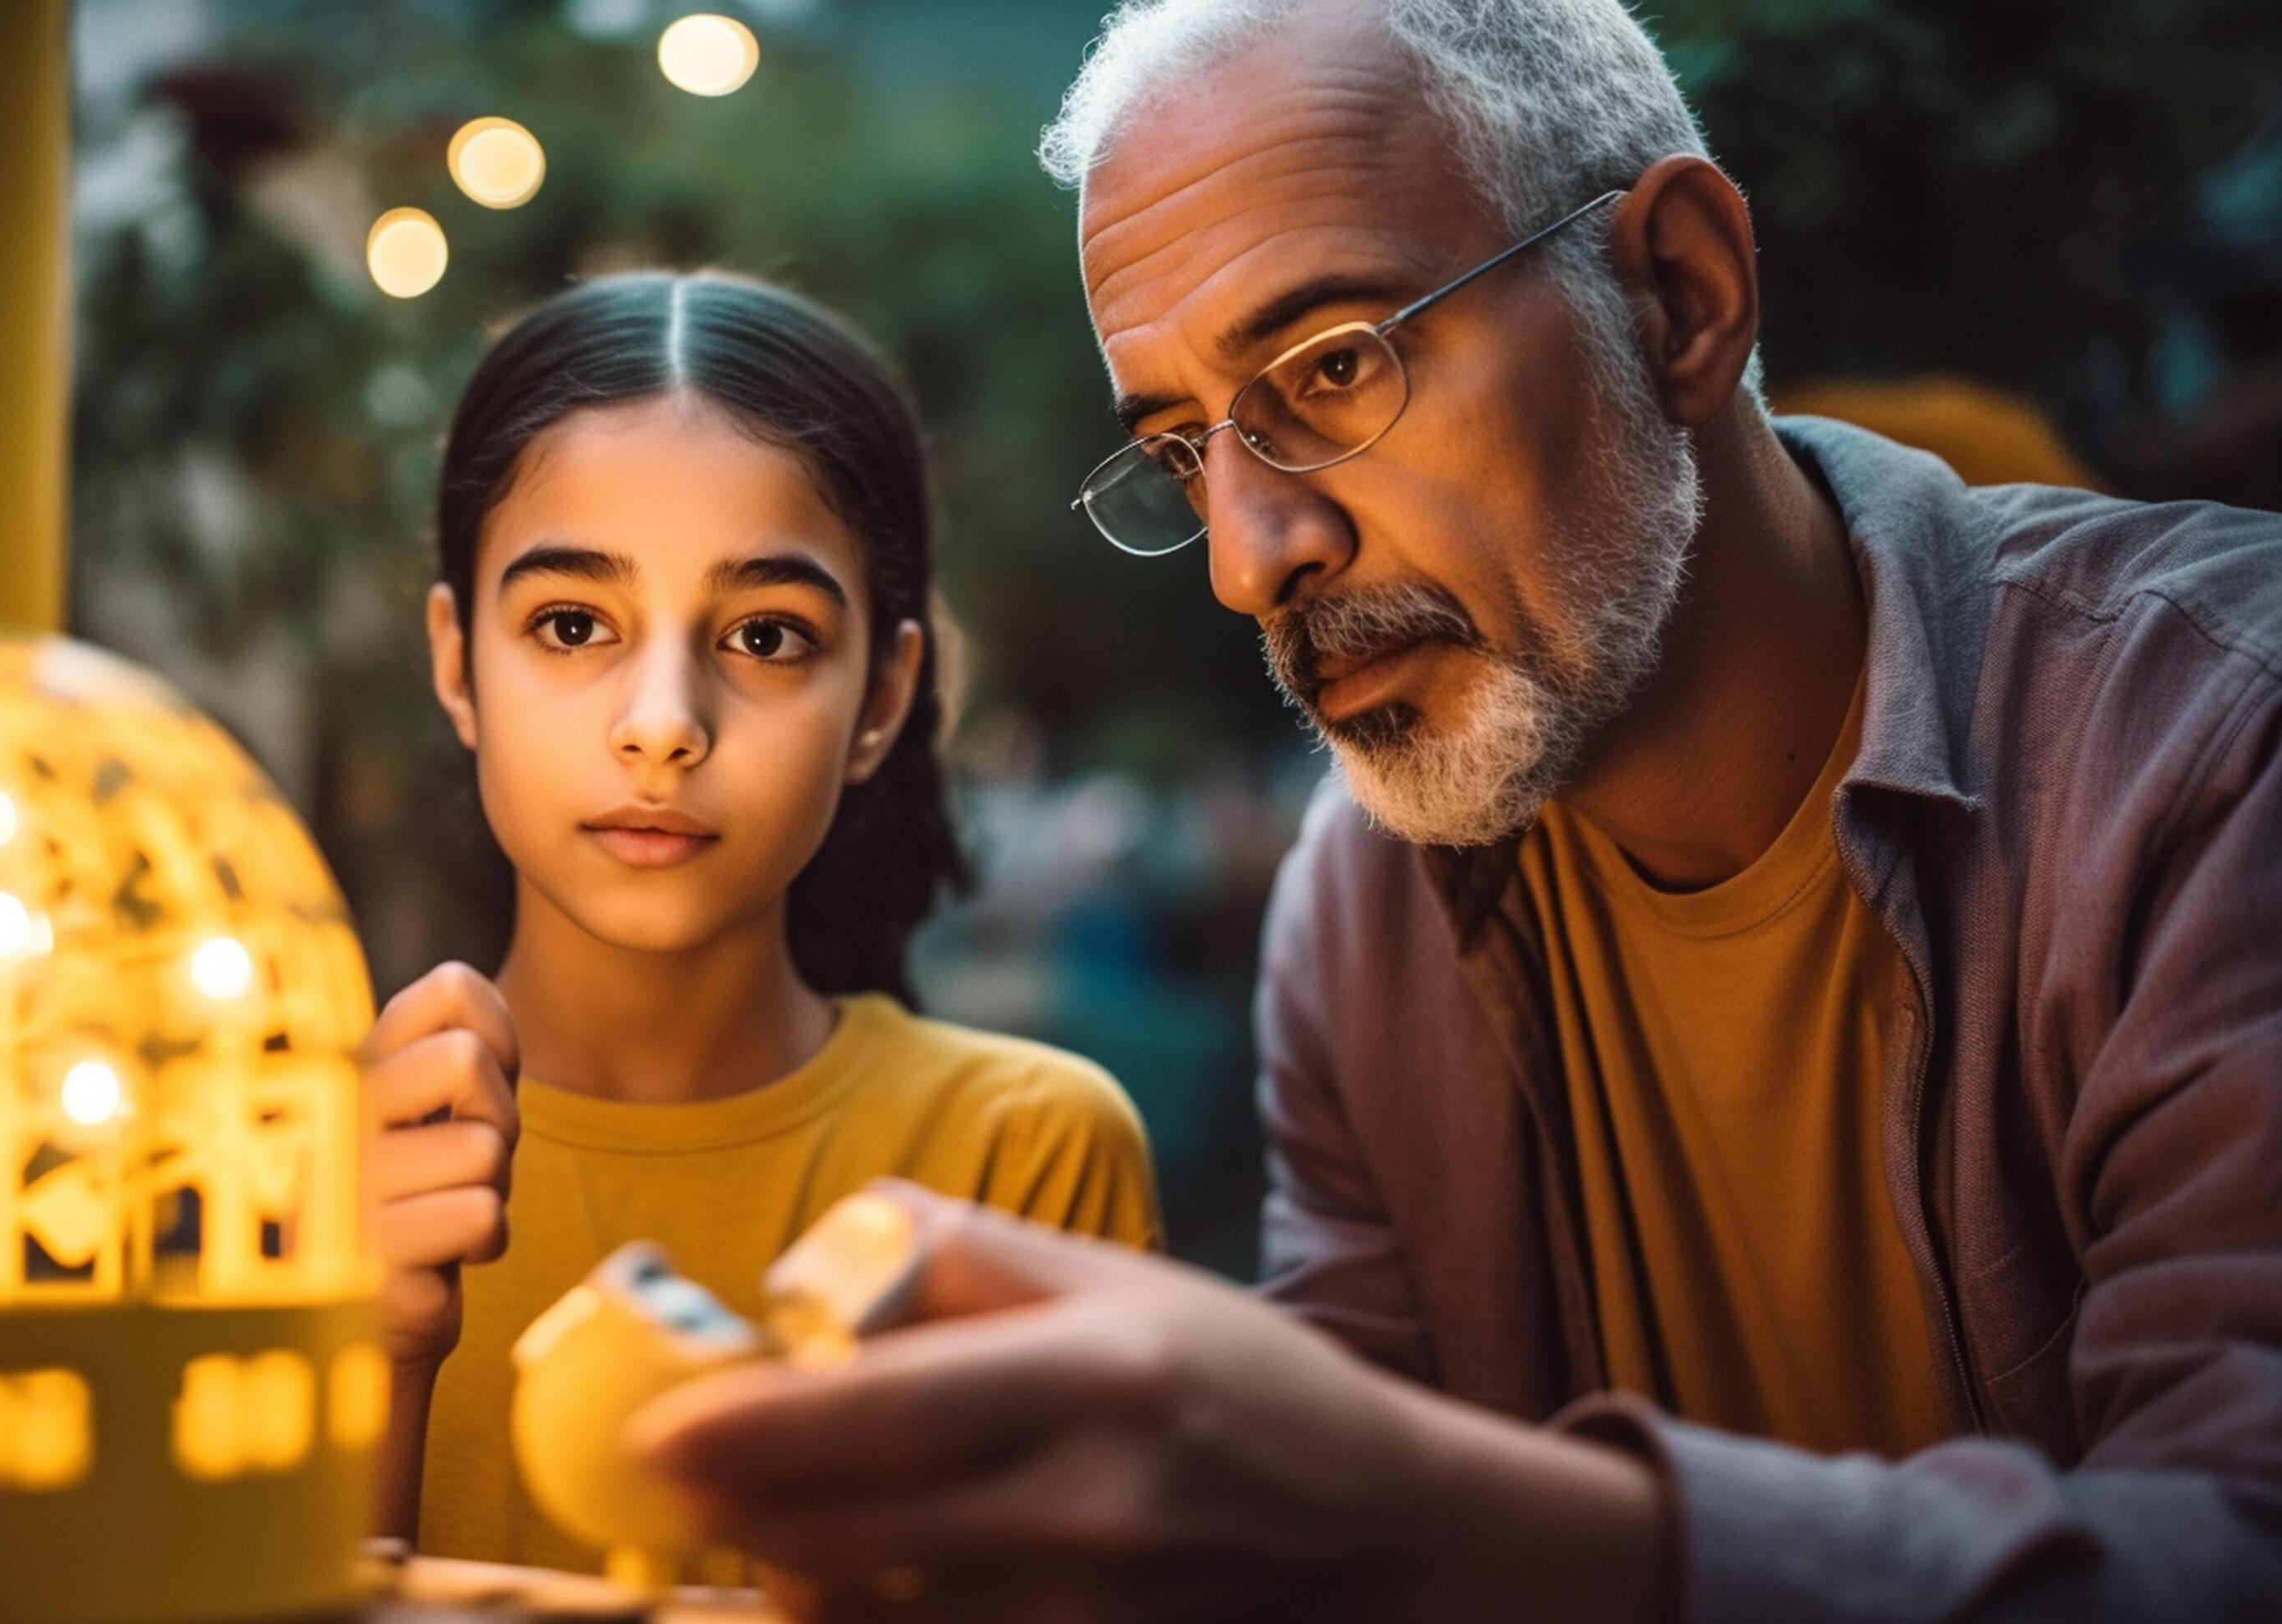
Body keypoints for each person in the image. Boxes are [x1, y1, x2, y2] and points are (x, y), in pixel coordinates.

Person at [628, 2, 2282, 1619]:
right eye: (1182, 451)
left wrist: (1415, 1509)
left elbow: (2231, 1541)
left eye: (1332, 367)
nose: (1246, 555)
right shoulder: (1363, 906)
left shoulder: (2211, 749)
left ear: (1676, 295)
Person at [354, 271, 1162, 1581]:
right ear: (457, 664)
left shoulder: (1017, 1159)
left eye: (767, 636)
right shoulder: (285, 1162)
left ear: (883, 698)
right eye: (570, 624)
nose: (663, 719)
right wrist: (371, 1350)